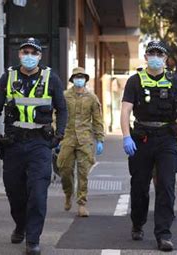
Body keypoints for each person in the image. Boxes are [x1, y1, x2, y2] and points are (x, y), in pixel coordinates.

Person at [0, 37, 67, 255]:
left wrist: (59, 134)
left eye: (33, 52)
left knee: (38, 193)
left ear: (40, 56)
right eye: (25, 52)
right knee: (15, 192)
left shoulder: (51, 78)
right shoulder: (8, 77)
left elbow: (62, 109)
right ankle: (20, 225)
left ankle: (33, 239)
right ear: (19, 54)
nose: (29, 56)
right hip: (13, 143)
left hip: (40, 144)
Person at [120, 40, 177, 251]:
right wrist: (126, 136)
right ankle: (138, 222)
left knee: (166, 185)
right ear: (145, 56)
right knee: (140, 185)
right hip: (141, 138)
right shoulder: (135, 81)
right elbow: (125, 111)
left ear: (165, 58)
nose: (155, 57)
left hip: (167, 138)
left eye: (159, 54)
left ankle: (164, 234)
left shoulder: (175, 81)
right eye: (151, 53)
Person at [57, 67, 105, 217]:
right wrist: (56, 135)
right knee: (64, 169)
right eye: (76, 76)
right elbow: (56, 115)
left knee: (83, 172)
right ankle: (68, 193)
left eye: (82, 76)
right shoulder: (64, 96)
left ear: (85, 79)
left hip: (85, 139)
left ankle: (82, 203)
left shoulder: (92, 97)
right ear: (72, 79)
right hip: (67, 137)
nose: (79, 79)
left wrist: (100, 139)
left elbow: (97, 119)